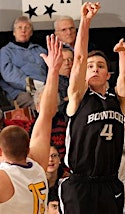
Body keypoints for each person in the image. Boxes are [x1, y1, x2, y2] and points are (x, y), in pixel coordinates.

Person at [58, 2, 125, 214]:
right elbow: (80, 57)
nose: (94, 69)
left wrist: (122, 54)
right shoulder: (78, 96)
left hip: (109, 181)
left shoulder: (117, 100)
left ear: (108, 74)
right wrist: (85, 21)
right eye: (90, 67)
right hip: (80, 183)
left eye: (100, 66)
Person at [0, 34, 63, 213]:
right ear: (28, 147)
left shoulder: (4, 178)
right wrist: (53, 71)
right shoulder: (37, 164)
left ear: (1, 151)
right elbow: (46, 114)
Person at [0, 16, 47, 110]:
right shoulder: (6, 51)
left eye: (27, 27)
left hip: (44, 87)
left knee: (56, 99)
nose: (23, 30)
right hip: (21, 91)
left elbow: (50, 69)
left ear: (31, 33)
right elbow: (9, 75)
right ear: (14, 32)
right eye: (19, 27)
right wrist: (33, 86)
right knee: (38, 104)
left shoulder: (40, 50)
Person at [58, 47, 74, 113]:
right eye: (63, 60)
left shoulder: (82, 79)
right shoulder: (52, 82)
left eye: (70, 59)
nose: (67, 63)